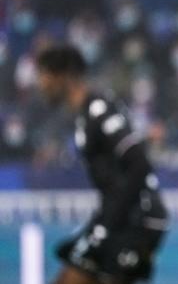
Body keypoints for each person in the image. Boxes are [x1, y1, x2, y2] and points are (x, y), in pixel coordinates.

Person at [35, 45, 168, 284]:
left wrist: (106, 225)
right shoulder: (85, 115)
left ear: (65, 76)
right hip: (120, 218)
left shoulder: (99, 109)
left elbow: (138, 163)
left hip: (137, 218)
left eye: (45, 75)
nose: (41, 84)